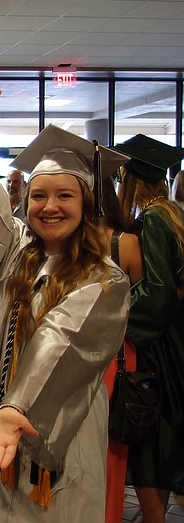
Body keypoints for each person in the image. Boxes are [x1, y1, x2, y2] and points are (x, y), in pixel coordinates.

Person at [0, 69, 130, 521]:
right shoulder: (16, 252)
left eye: (64, 196)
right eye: (38, 196)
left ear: (87, 203)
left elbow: (62, 339)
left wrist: (16, 407)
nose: (49, 207)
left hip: (59, 429)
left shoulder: (104, 279)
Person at [112, 134, 184, 523]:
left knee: (152, 445)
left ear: (130, 180)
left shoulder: (153, 219)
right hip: (178, 337)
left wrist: (114, 310)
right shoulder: (175, 213)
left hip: (162, 348)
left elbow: (156, 294)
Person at [95, 173, 145, 523]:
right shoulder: (126, 242)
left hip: (104, 355)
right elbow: (140, 300)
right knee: (112, 452)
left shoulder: (65, 244)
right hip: (119, 351)